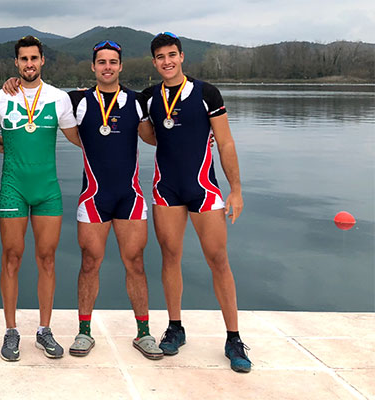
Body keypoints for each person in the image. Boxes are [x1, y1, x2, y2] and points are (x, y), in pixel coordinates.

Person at [142, 32, 250, 372]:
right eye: (160, 57)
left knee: (218, 259)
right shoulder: (148, 97)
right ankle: (175, 327)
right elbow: (145, 132)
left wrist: (236, 189)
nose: (167, 61)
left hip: (204, 187)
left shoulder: (206, 93)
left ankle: (233, 337)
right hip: (166, 189)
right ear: (155, 61)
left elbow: (226, 142)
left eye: (172, 54)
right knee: (170, 256)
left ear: (182, 56)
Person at [0, 35, 81, 361]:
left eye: (34, 58)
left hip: (48, 190)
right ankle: (11, 331)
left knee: (47, 259)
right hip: (13, 189)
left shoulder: (59, 98)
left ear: (42, 61)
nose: (29, 64)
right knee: (12, 258)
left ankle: (44, 331)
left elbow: (81, 139)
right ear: (16, 63)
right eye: (24, 59)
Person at [65, 40, 163, 359]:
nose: (107, 66)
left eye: (113, 62)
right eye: (101, 62)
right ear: (93, 67)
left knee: (135, 263)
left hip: (130, 198)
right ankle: (84, 332)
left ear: (121, 66)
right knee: (89, 263)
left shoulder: (137, 102)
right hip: (93, 197)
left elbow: (157, 137)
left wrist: (206, 133)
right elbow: (38, 104)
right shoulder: (77, 101)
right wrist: (11, 83)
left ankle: (144, 333)